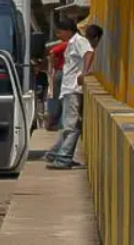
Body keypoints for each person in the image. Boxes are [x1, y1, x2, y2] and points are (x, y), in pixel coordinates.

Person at [46, 19, 94, 170]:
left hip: (73, 89)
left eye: (60, 31)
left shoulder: (80, 41)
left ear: (68, 30)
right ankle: (57, 154)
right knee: (72, 124)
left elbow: (89, 53)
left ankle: (63, 158)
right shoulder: (72, 43)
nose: (58, 35)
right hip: (69, 89)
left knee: (70, 126)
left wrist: (84, 73)